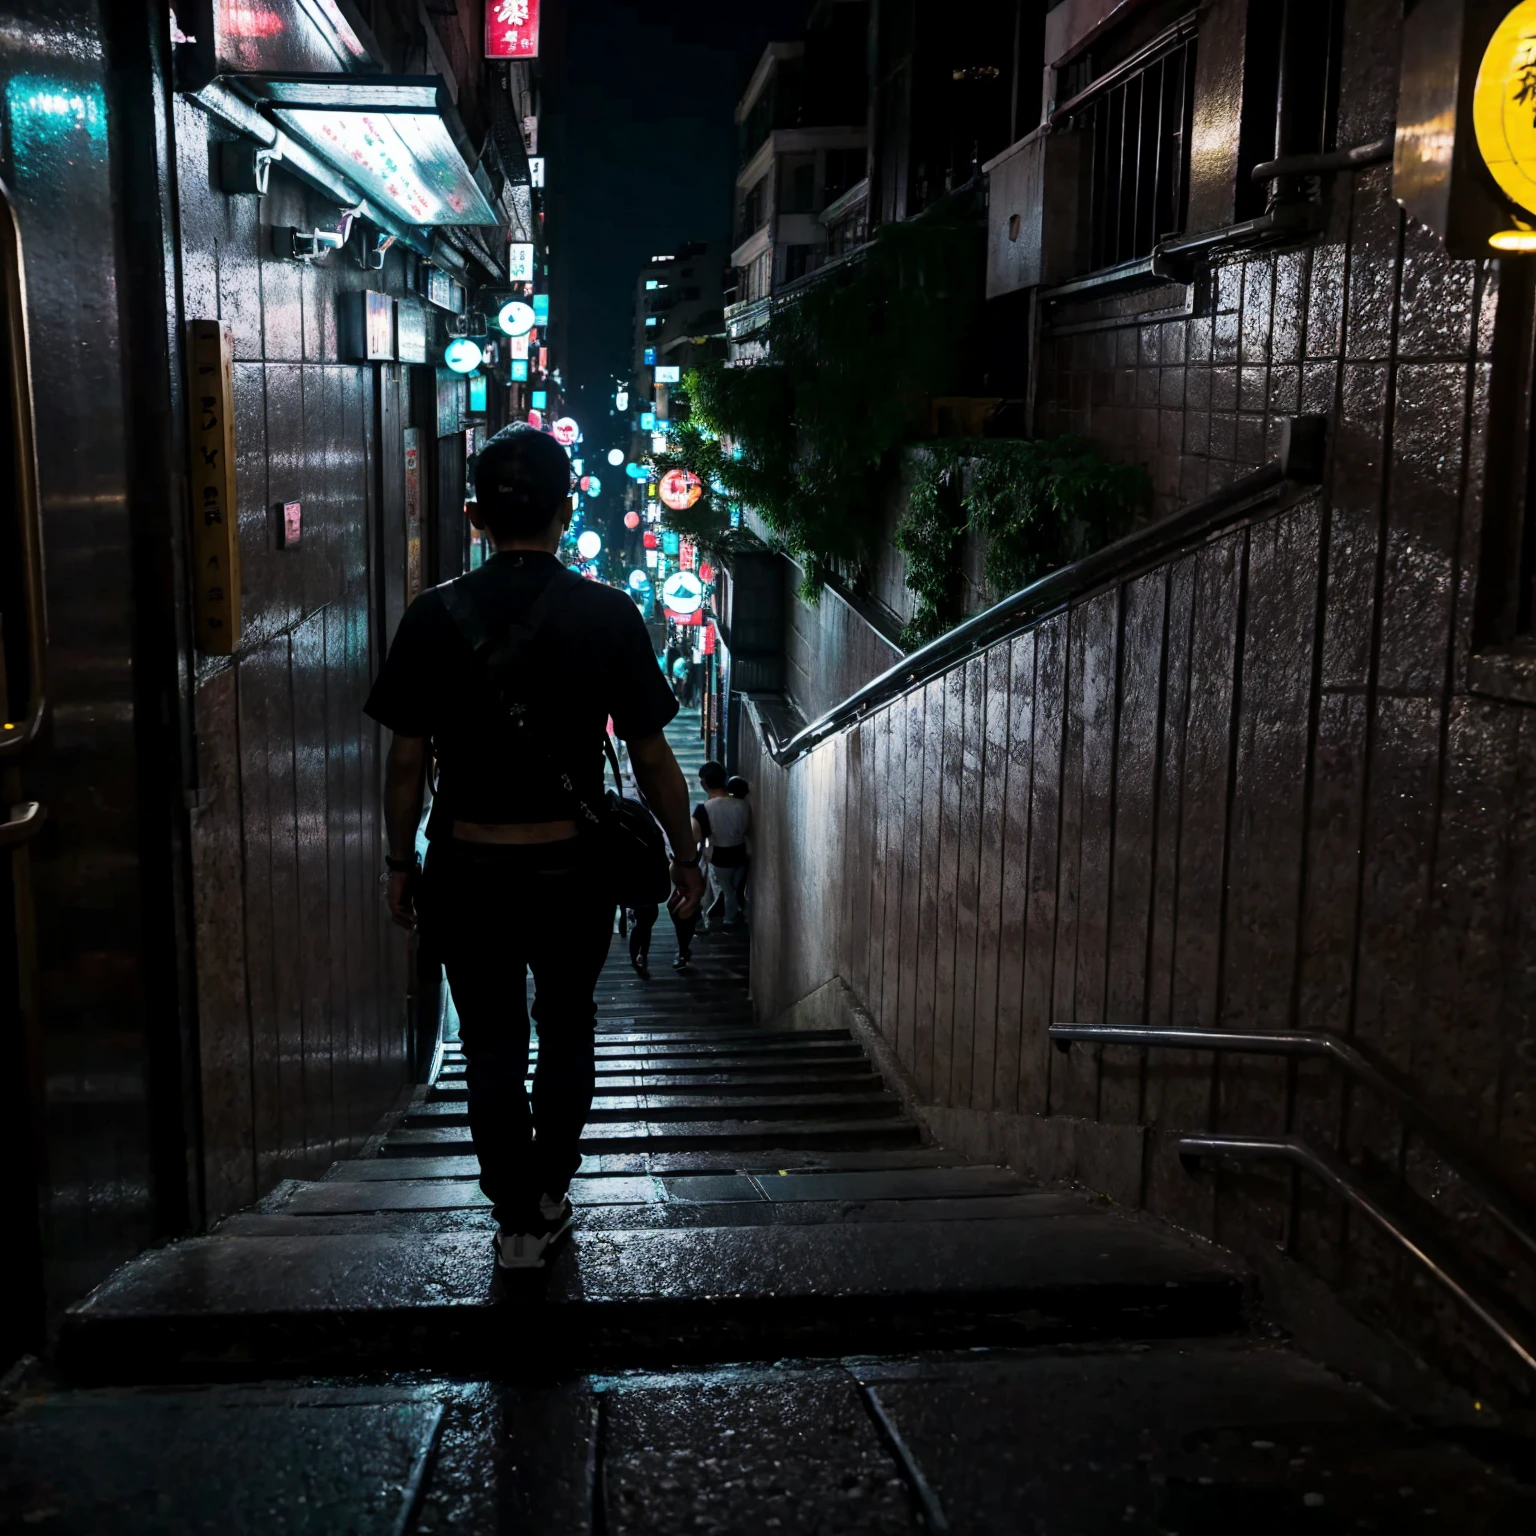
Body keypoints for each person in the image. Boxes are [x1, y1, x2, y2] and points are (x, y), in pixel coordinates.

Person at [366, 425, 704, 1271]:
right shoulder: (607, 613)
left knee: (489, 1041)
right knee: (566, 1023)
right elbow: (654, 756)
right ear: (566, 511)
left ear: (475, 514)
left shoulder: (429, 618)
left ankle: (512, 1211)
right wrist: (684, 857)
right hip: (569, 869)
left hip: (469, 868)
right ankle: (551, 1186)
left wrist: (399, 864)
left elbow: (406, 760)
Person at [696, 761, 749, 930]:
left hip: (720, 855)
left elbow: (698, 836)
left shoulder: (705, 808)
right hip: (741, 852)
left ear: (704, 783)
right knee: (737, 887)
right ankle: (737, 912)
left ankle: (729, 920)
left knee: (727, 890)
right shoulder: (742, 804)